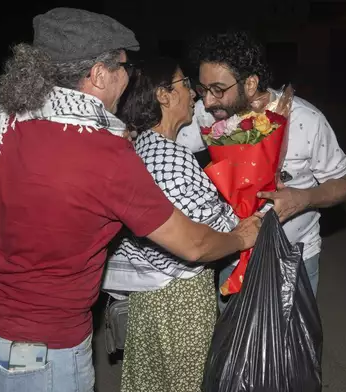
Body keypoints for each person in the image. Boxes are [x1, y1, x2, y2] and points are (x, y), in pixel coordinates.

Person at [0, 10, 260, 392]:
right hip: (38, 356)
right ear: (99, 75)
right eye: (124, 65)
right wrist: (242, 236)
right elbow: (194, 244)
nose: (129, 75)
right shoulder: (104, 154)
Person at [176, 31, 346, 310]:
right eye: (202, 89)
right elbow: (170, 151)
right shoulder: (204, 114)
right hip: (231, 256)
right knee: (233, 349)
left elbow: (345, 185)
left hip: (294, 258)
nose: (208, 101)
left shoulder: (306, 120)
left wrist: (304, 198)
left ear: (250, 83)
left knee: (291, 350)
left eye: (218, 89)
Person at [102, 57, 240, 392]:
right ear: (163, 95)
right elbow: (211, 235)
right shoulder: (170, 158)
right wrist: (249, 224)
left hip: (148, 299)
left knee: (152, 381)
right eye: (185, 84)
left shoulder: (139, 147)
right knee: (188, 382)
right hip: (181, 300)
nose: (193, 94)